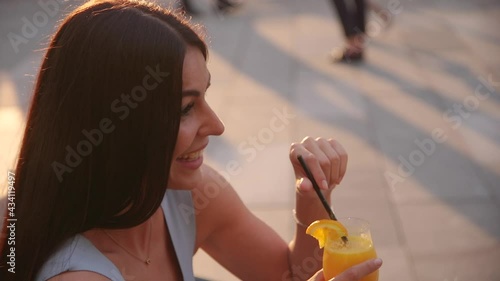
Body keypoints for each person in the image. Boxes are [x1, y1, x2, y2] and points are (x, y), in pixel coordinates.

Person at [0, 1, 382, 280]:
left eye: (206, 97)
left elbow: (286, 273)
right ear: (113, 124)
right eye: (184, 109)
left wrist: (311, 200)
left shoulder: (185, 198)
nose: (216, 126)